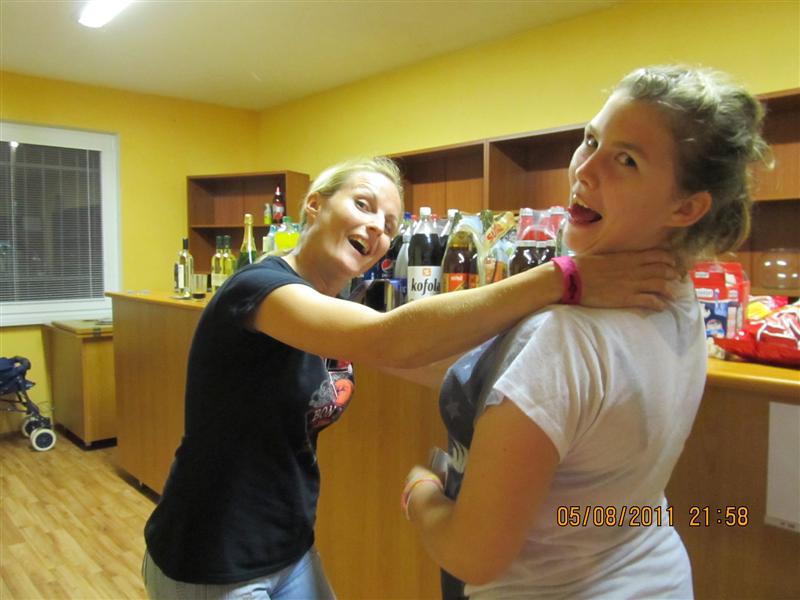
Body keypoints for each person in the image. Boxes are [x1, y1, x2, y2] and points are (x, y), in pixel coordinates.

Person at [142, 155, 679, 599]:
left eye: (391, 225)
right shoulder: (258, 289)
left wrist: (547, 356)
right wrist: (564, 278)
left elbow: (428, 359)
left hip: (287, 547)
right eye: (363, 205)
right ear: (315, 206)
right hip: (211, 556)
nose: (377, 227)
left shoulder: (338, 306)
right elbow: (390, 340)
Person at [401, 65, 772, 599]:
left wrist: (420, 492)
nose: (585, 170)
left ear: (686, 207)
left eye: (627, 159)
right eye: (591, 140)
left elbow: (473, 555)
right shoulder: (676, 295)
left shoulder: (565, 338)